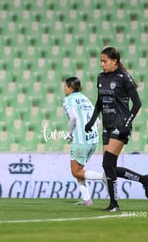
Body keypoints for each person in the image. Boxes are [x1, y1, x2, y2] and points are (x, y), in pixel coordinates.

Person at [85, 46, 148, 212]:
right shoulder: (100, 77)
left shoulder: (123, 78)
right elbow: (100, 102)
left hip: (120, 125)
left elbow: (137, 103)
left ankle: (114, 204)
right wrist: (92, 121)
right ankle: (144, 179)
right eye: (101, 61)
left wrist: (127, 122)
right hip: (107, 126)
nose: (102, 64)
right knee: (110, 167)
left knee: (107, 163)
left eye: (105, 61)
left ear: (115, 61)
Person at [62, 77, 105, 206]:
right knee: (80, 170)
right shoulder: (86, 99)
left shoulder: (68, 100)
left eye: (65, 86)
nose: (64, 89)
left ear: (70, 87)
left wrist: (69, 134)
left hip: (81, 141)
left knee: (76, 171)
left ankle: (103, 177)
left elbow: (74, 118)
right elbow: (97, 122)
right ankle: (87, 200)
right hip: (93, 140)